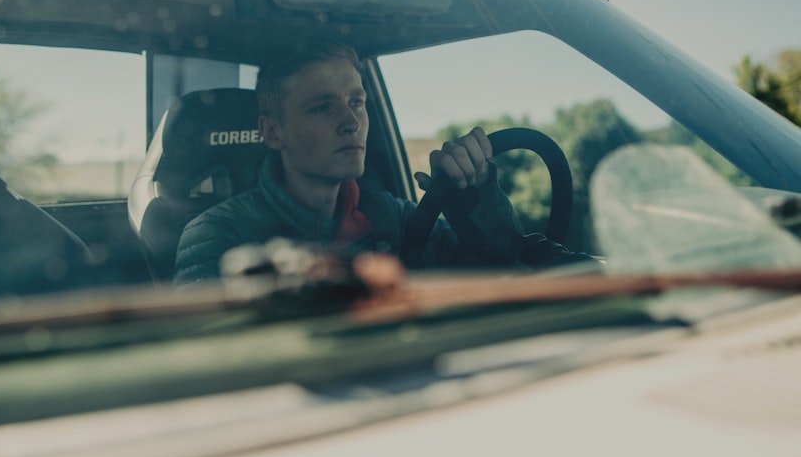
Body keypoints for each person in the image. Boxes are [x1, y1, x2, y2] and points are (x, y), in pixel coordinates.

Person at [174, 40, 588, 284]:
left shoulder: (395, 216)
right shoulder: (217, 235)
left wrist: (474, 198)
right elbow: (215, 359)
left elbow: (502, 279)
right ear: (273, 133)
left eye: (357, 102)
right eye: (323, 107)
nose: (351, 122)